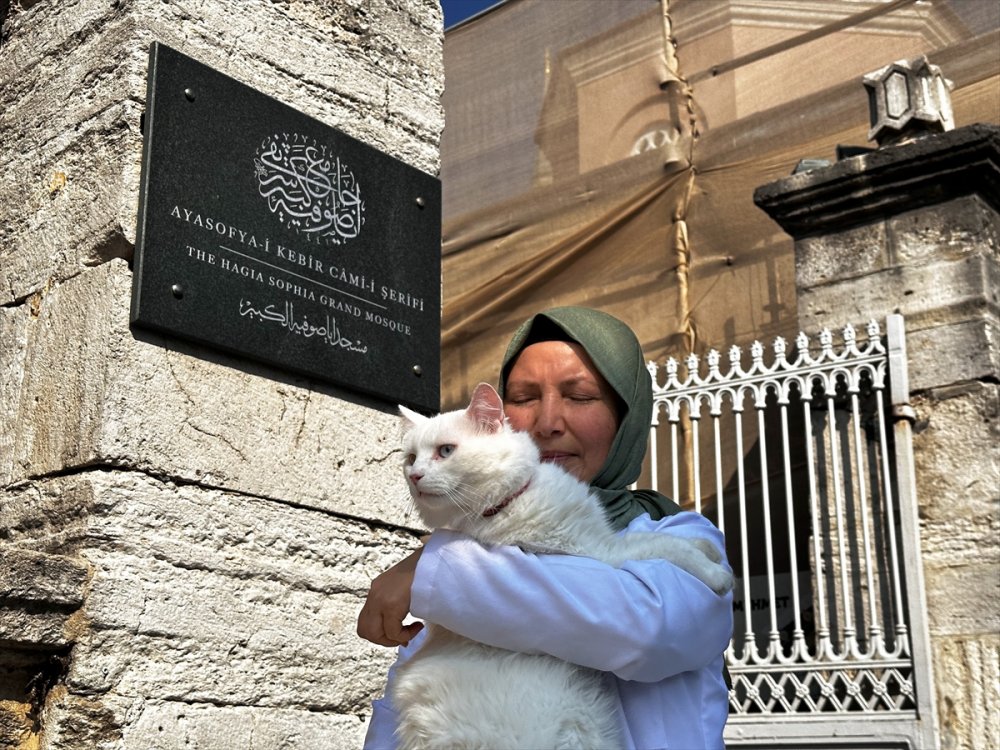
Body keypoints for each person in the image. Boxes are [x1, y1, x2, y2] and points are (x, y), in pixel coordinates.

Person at [358, 306, 733, 749]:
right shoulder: (466, 542)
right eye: (523, 397)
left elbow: (645, 629)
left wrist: (430, 565)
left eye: (580, 397)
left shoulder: (681, 536)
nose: (548, 423)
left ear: (625, 416)